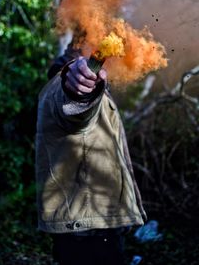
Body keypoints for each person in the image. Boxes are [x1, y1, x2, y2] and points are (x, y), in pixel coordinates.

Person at [35, 44, 147, 265]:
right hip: (88, 232)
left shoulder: (52, 89)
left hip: (90, 224)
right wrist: (77, 86)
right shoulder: (61, 83)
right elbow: (74, 104)